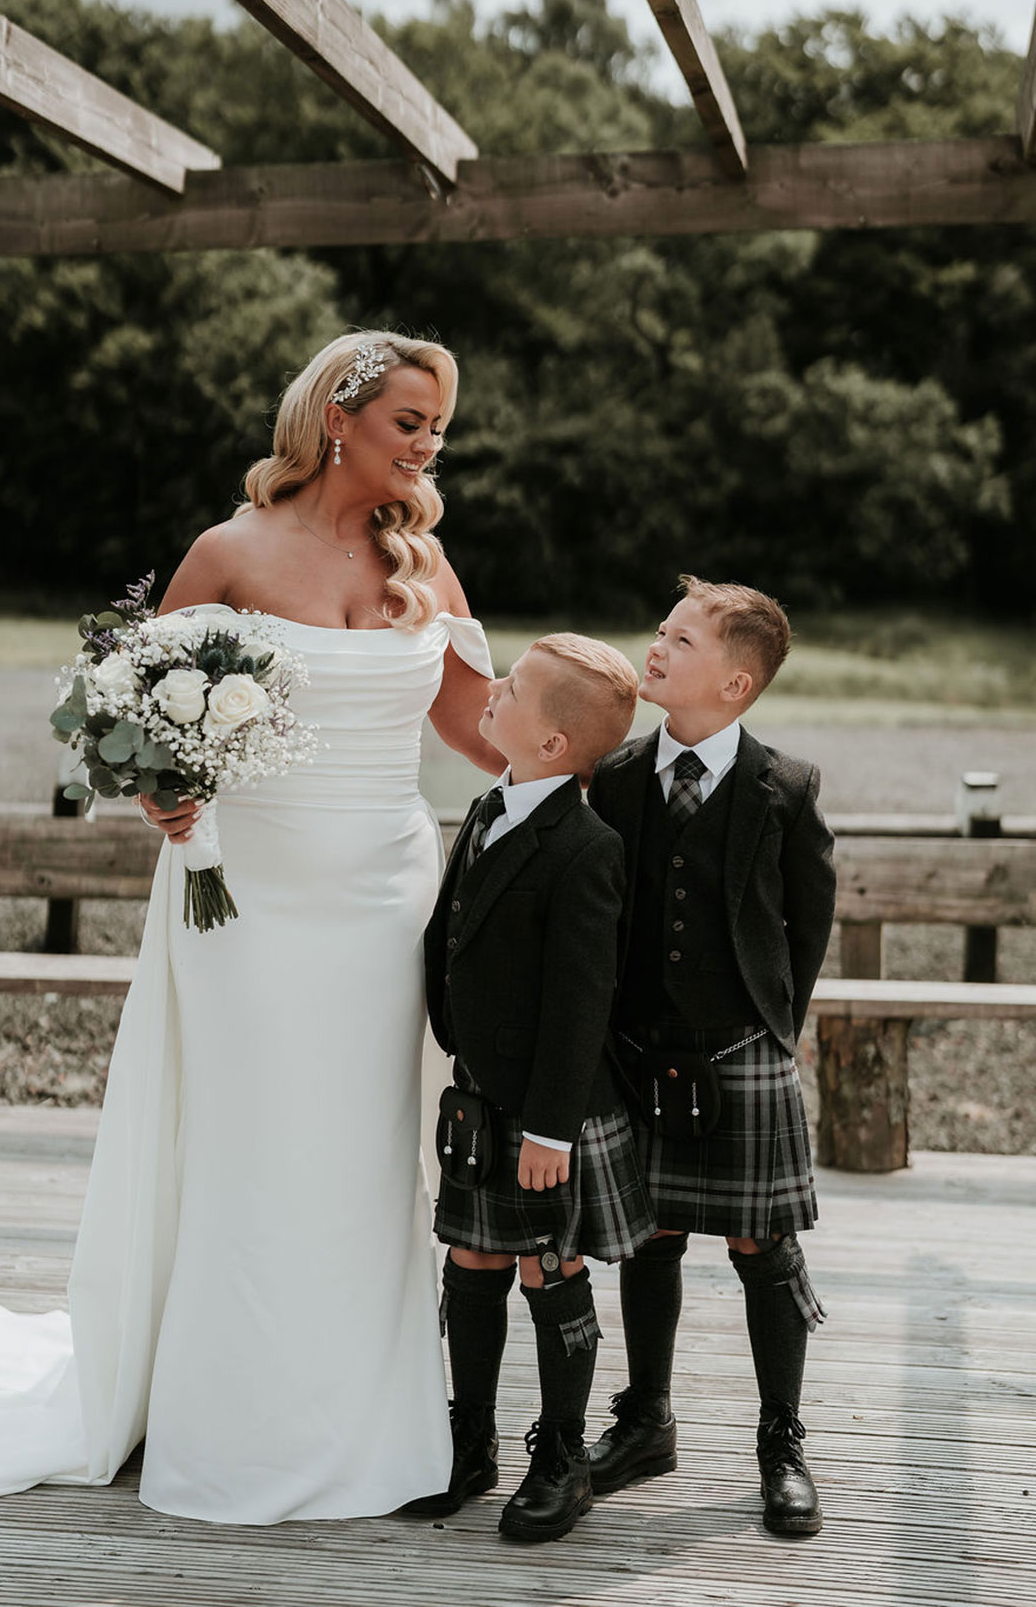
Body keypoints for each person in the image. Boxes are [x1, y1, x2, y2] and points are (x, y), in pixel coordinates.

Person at [0, 330, 500, 1534]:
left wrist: (626, 736)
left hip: (385, 904)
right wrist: (158, 783)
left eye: (438, 428)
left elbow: (481, 735)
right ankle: (240, 1420)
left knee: (368, 1152)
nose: (430, 445)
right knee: (259, 1146)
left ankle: (374, 1420)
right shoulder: (231, 550)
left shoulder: (427, 563)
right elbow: (128, 708)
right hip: (245, 901)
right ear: (341, 419)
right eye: (412, 421)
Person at [585, 577, 836, 1537]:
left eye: (678, 639)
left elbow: (807, 924)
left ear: (734, 683)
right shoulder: (612, 778)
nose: (654, 646)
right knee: (647, 1238)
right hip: (638, 1049)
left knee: (763, 1249)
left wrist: (773, 1027)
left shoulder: (788, 787)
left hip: (742, 1048)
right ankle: (647, 1420)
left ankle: (782, 1441)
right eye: (659, 629)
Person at [402, 635, 656, 1544]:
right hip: (481, 1090)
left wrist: (551, 1129)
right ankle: (470, 1445)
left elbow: (581, 1001)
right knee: (470, 1261)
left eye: (509, 689)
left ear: (552, 745)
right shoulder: (486, 807)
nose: (493, 691)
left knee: (549, 1267)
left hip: (553, 1113)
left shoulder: (585, 848)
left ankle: (563, 1458)